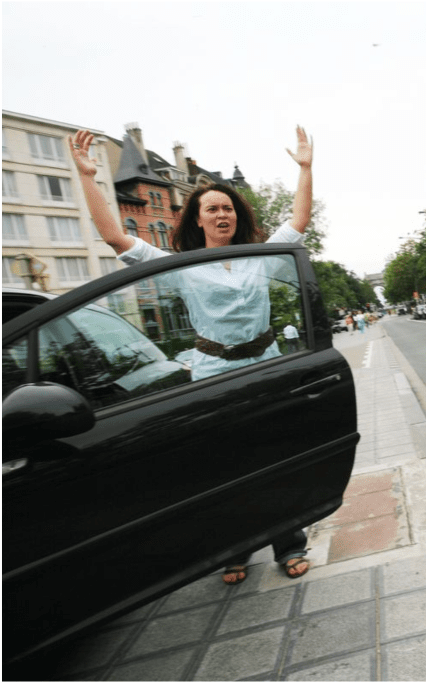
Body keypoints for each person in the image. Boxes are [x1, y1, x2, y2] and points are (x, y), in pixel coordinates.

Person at [68, 126, 316, 585]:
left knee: (272, 456)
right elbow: (115, 237)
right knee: (226, 465)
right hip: (213, 371)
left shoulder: (260, 255)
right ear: (197, 220)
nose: (222, 214)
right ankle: (235, 548)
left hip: (265, 364)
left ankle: (289, 543)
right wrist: (87, 176)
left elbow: (299, 220)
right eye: (212, 209)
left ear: (236, 216)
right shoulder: (180, 265)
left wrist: (304, 167)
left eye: (228, 208)